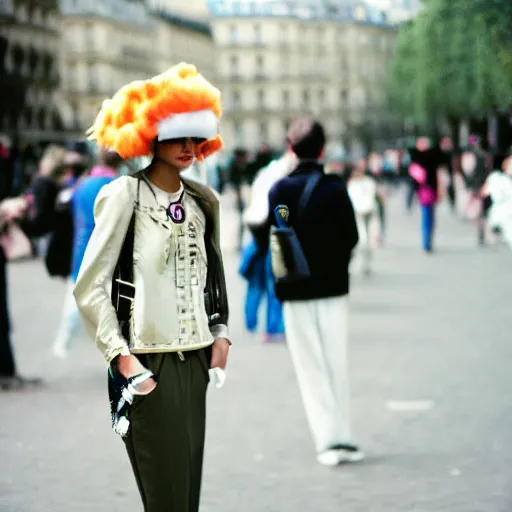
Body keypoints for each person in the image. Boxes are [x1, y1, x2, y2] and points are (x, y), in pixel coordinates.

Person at [73, 63, 231, 511]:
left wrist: (220, 334)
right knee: (164, 496)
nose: (188, 147)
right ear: (150, 136)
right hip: (147, 362)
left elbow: (212, 277)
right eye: (177, 136)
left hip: (196, 360)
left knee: (188, 492)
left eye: (195, 137)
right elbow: (89, 287)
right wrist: (121, 358)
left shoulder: (204, 201)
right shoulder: (125, 195)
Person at [265, 116, 361, 466]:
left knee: (311, 367)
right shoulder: (335, 188)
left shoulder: (278, 191)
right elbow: (351, 237)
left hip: (296, 288)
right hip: (334, 286)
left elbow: (277, 235)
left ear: (290, 148)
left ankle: (327, 439)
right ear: (323, 149)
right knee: (337, 362)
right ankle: (345, 434)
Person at [52, 149, 123, 358]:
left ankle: (62, 341)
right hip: (110, 249)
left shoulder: (82, 184)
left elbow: (66, 207)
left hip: (82, 248)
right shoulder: (119, 185)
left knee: (74, 298)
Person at [240, 151, 297, 342]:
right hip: (273, 240)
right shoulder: (282, 187)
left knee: (256, 285)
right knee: (275, 285)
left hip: (258, 239)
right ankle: (273, 328)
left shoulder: (264, 177)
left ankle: (251, 323)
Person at [409, 137, 443, 253]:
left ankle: (427, 242)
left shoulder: (417, 159)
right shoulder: (430, 157)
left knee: (428, 216)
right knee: (428, 216)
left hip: (426, 190)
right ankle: (427, 242)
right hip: (427, 190)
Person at [347, 157, 378, 276]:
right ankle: (350, 265)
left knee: (367, 241)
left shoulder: (368, 182)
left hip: (368, 214)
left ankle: (366, 265)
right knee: (359, 241)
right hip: (357, 215)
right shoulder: (352, 185)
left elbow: (370, 198)